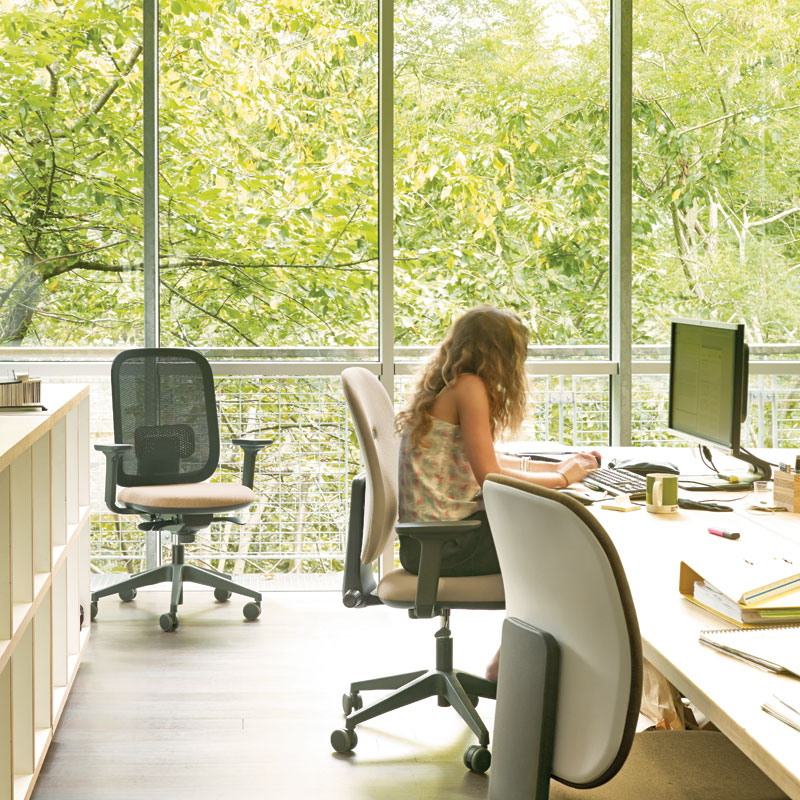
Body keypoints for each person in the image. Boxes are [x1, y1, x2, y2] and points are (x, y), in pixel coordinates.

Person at [395, 305, 600, 681]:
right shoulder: (470, 387)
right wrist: (564, 480)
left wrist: (559, 467)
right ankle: (508, 663)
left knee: (553, 539)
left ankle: (521, 661)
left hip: (434, 541)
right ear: (500, 355)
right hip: (445, 545)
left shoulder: (451, 385)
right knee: (569, 551)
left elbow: (491, 458)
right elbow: (489, 474)